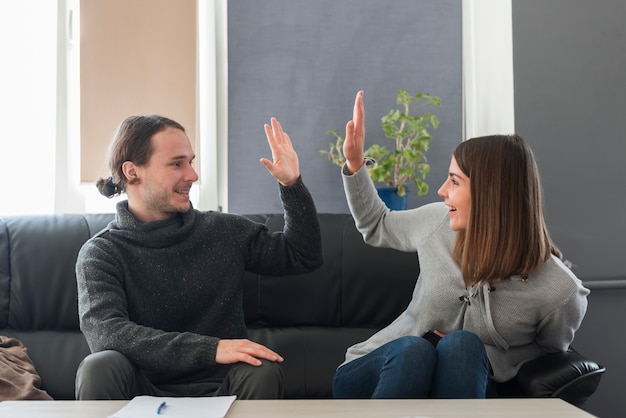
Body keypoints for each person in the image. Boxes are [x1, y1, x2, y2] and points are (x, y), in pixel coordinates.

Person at [332, 91, 589, 399]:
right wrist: (355, 164)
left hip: (467, 378)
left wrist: (490, 355)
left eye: (454, 181)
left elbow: (548, 351)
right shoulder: (437, 222)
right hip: (382, 370)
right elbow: (377, 225)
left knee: (463, 345)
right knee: (415, 350)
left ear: (489, 195)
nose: (442, 191)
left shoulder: (560, 291)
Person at [75, 115, 323, 400]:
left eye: (190, 162)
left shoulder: (223, 231)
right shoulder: (101, 253)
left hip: (221, 387)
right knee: (99, 366)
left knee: (260, 368)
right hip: (141, 389)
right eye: (177, 164)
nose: (192, 175)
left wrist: (292, 186)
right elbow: (106, 334)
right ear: (132, 171)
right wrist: (211, 349)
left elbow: (302, 256)